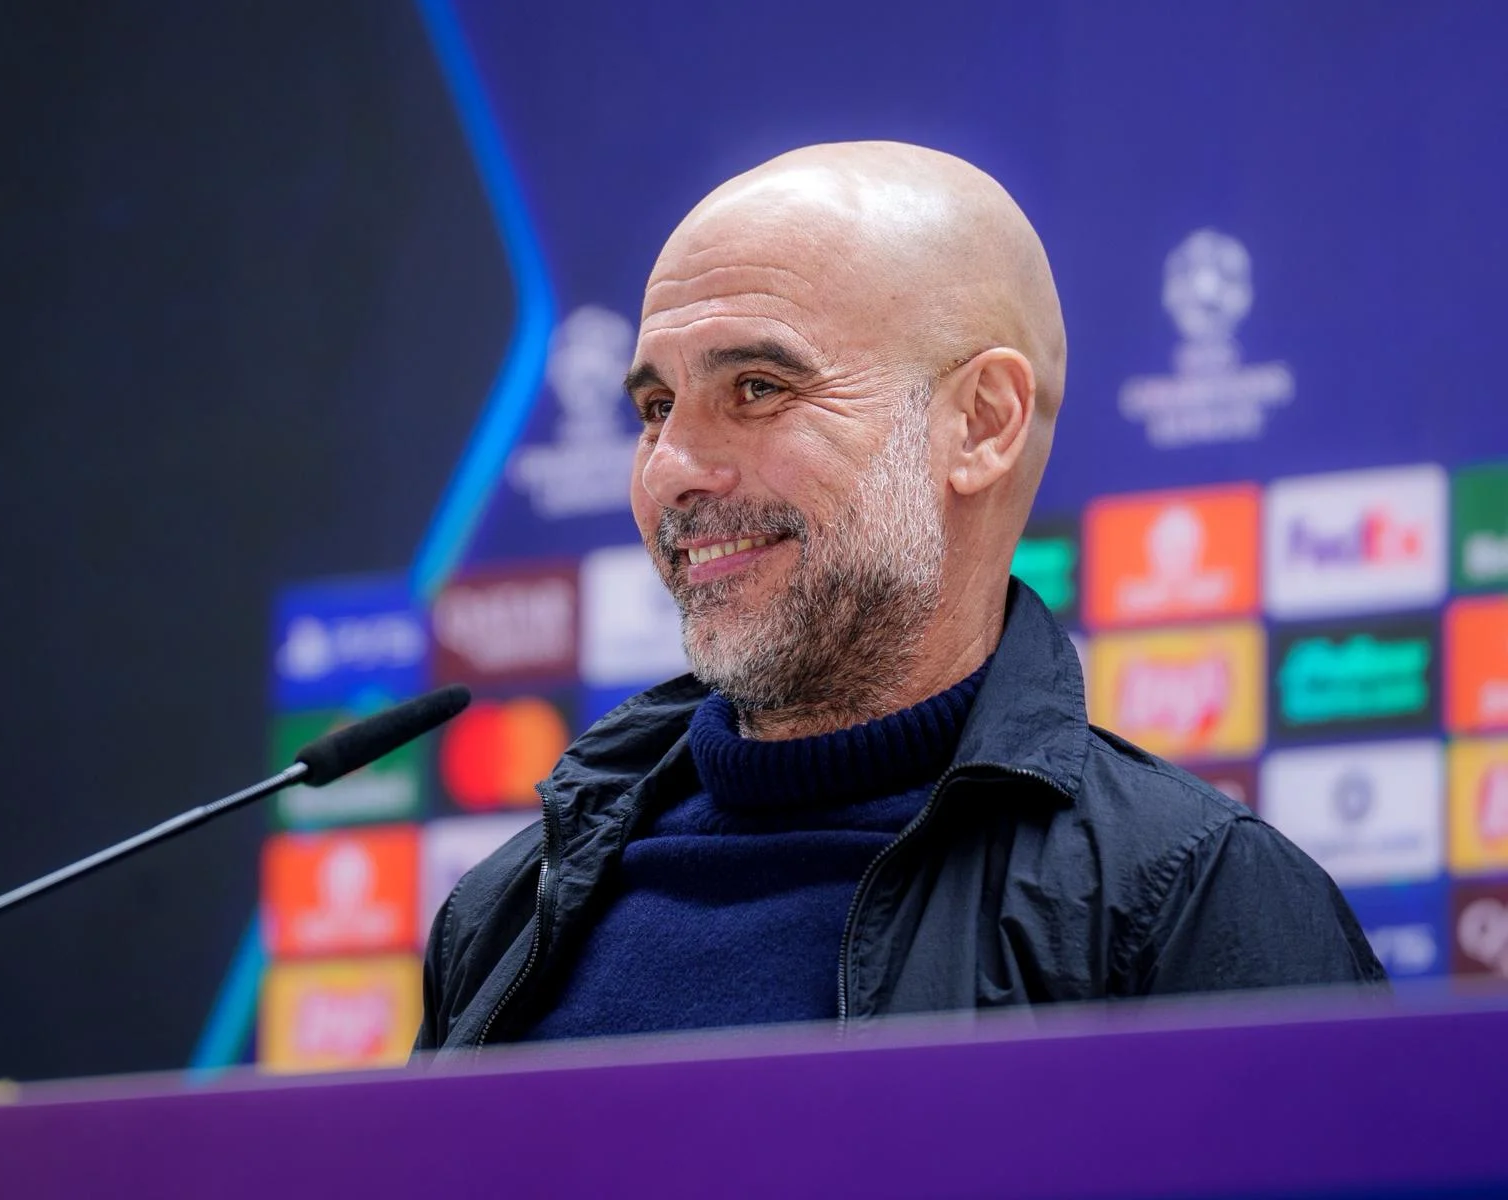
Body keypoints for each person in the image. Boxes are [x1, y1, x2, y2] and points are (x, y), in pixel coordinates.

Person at [413, 141, 1385, 1053]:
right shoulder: (507, 909)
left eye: (755, 388)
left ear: (979, 424)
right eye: (656, 408)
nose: (671, 470)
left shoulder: (1192, 899)